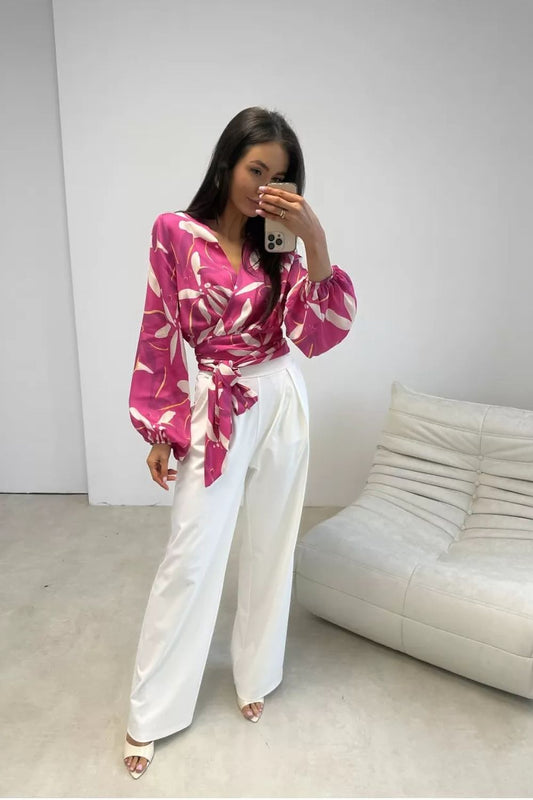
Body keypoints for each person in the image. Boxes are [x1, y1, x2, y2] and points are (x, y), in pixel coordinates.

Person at [123, 106, 357, 778]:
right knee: (190, 558)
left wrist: (313, 237)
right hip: (216, 403)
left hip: (280, 395)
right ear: (227, 163)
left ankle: (256, 675)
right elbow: (159, 329)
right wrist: (162, 427)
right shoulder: (174, 232)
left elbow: (317, 334)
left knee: (270, 544)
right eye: (257, 170)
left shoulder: (278, 246)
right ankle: (151, 712)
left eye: (279, 178)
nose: (265, 188)